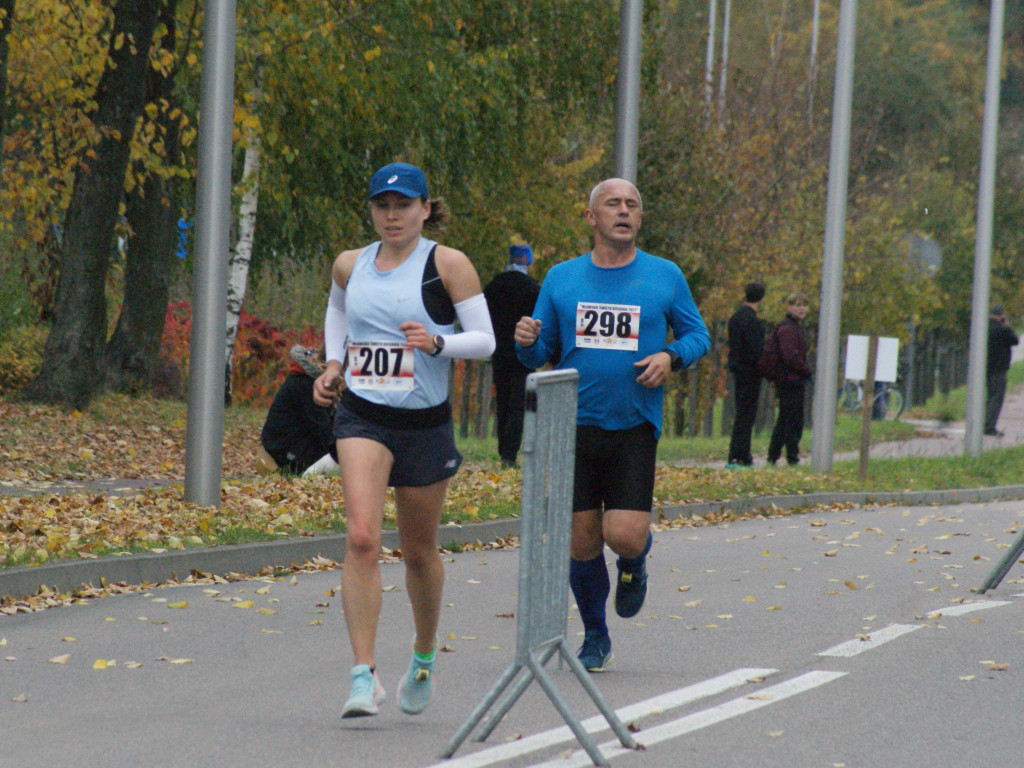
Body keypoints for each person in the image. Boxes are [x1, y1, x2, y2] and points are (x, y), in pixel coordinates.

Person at [311, 162, 495, 718]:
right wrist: (334, 363)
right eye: (382, 206)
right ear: (372, 210)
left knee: (418, 551)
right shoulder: (351, 263)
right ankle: (362, 676)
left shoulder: (447, 265)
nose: (392, 216)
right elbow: (337, 311)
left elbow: (484, 342)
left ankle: (422, 655)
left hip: (424, 422)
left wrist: (439, 343)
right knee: (363, 537)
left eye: (404, 205)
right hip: (363, 415)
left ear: (425, 208)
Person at [514, 178, 710, 672]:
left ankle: (633, 561)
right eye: (612, 204)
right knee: (580, 540)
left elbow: (698, 335)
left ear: (640, 218)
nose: (623, 211)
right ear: (591, 217)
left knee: (621, 533)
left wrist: (671, 355)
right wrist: (524, 341)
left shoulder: (664, 276)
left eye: (632, 205)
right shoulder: (561, 278)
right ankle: (595, 635)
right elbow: (541, 352)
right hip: (573, 425)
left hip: (633, 424)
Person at [483, 243, 541, 466]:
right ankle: (510, 452)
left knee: (503, 402)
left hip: (498, 353)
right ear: (528, 261)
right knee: (519, 405)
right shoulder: (534, 289)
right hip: (523, 354)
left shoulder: (492, 287)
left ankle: (502, 451)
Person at [258, 344, 339, 476]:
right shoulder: (305, 384)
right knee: (341, 456)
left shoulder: (309, 378)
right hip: (284, 451)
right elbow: (325, 432)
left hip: (294, 443)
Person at [766, 292, 812, 465]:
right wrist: (807, 370)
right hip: (789, 381)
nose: (802, 308)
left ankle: (775, 456)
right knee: (792, 422)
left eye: (804, 305)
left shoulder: (794, 327)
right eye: (798, 305)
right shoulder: (788, 329)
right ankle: (790, 457)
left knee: (786, 420)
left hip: (790, 380)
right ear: (789, 307)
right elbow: (790, 357)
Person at [725, 282, 766, 468]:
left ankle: (737, 453)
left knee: (740, 412)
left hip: (737, 371)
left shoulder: (735, 318)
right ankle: (741, 454)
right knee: (747, 415)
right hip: (751, 373)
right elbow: (756, 351)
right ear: (761, 298)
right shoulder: (753, 321)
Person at [985, 305, 1019, 436]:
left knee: (990, 397)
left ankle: (985, 423)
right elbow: (1014, 340)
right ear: (1001, 316)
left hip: (986, 367)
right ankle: (989, 426)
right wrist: (1007, 326)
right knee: (996, 398)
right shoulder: (1002, 329)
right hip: (999, 368)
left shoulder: (984, 327)